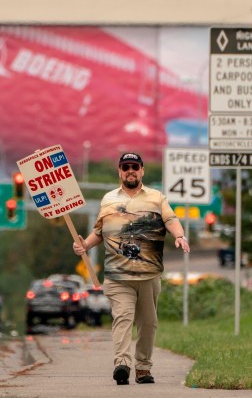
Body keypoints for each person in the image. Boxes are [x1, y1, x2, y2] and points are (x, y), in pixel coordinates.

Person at [72, 152, 189, 386]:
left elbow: (170, 219)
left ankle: (143, 368)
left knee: (148, 323)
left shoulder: (157, 198)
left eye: (134, 166)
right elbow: (99, 232)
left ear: (142, 170)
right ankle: (122, 364)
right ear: (120, 171)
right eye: (126, 167)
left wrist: (180, 235)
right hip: (118, 276)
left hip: (149, 274)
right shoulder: (108, 200)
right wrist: (84, 244)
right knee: (122, 318)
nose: (130, 170)